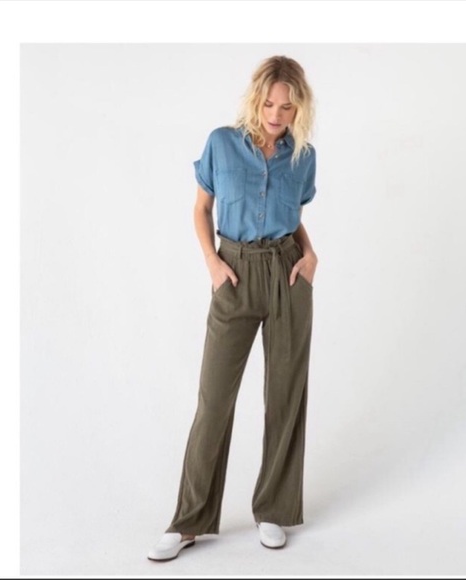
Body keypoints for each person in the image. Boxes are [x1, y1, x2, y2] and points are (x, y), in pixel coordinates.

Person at [147, 55, 318, 561]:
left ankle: (274, 510)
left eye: (286, 106)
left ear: (299, 108)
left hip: (287, 272)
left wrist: (310, 254)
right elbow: (202, 208)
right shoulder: (222, 143)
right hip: (234, 273)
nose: (276, 114)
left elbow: (293, 215)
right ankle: (189, 520)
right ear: (255, 100)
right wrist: (213, 263)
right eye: (269, 104)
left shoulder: (303, 155)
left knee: (285, 396)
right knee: (214, 400)